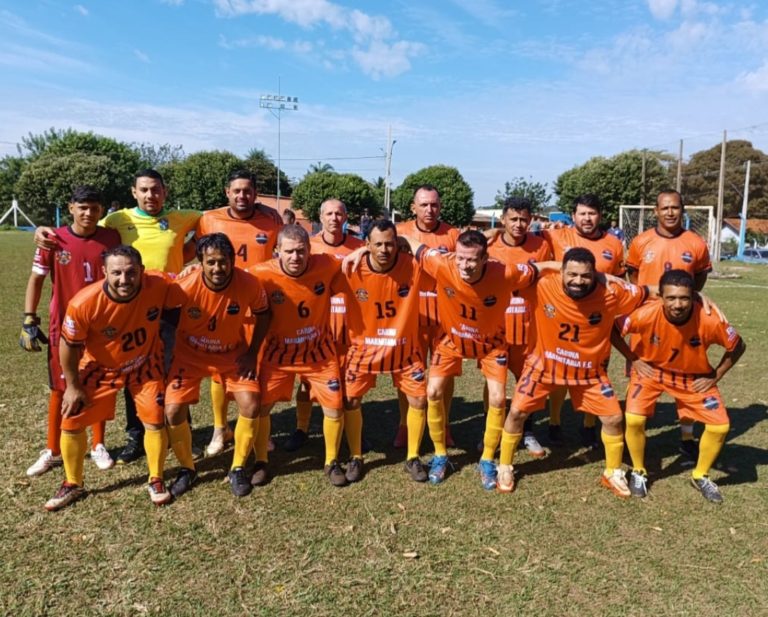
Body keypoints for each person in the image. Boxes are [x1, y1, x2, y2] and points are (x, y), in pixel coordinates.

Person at [34, 169, 201, 465]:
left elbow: (213, 221)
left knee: (170, 371)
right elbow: (80, 227)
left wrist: (189, 257)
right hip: (126, 309)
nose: (151, 195)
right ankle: (136, 436)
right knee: (131, 370)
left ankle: (180, 432)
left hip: (167, 305)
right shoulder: (115, 220)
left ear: (166, 191)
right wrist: (43, 230)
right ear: (133, 192)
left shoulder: (182, 218)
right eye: (144, 190)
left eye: (156, 190)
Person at [497, 248, 649, 497]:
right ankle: (505, 466)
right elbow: (508, 278)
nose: (578, 281)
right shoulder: (543, 285)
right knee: (516, 412)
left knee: (613, 419)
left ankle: (612, 472)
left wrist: (698, 297)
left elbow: (649, 293)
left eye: (586, 276)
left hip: (589, 373)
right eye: (572, 274)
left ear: (595, 275)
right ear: (561, 272)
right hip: (543, 367)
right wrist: (552, 266)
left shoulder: (613, 292)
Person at [399, 230, 546, 486]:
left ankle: (488, 459)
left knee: (499, 398)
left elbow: (541, 268)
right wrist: (363, 249)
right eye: (461, 258)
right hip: (451, 340)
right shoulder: (442, 263)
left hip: (491, 344)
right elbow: (414, 244)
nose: (465, 265)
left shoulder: (506, 273)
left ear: (485, 258)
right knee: (432, 392)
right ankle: (440, 454)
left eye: (472, 260)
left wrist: (589, 273)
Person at [45, 246, 174, 510]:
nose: (124, 279)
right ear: (104, 272)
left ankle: (156, 478)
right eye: (116, 273)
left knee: (154, 419)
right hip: (100, 369)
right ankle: (73, 483)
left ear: (142, 272)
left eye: (131, 272)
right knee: (70, 422)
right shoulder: (84, 303)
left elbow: (188, 278)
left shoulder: (159, 283)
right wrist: (72, 386)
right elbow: (68, 346)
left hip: (144, 364)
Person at [619, 270, 745, 502]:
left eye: (684, 298)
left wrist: (715, 375)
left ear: (693, 296)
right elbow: (614, 329)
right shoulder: (646, 314)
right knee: (634, 419)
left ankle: (700, 475)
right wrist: (634, 358)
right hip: (652, 372)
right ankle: (639, 470)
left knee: (720, 427)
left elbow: (737, 345)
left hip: (693, 377)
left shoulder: (709, 319)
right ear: (661, 297)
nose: (678, 304)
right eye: (671, 298)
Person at [22, 186, 121, 477]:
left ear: (101, 211)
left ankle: (98, 444)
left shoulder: (111, 238)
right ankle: (52, 450)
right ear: (71, 208)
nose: (88, 213)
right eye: (82, 207)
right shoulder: (53, 239)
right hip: (62, 325)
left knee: (99, 383)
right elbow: (36, 280)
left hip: (103, 324)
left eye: (94, 208)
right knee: (60, 387)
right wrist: (29, 318)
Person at [163, 233, 270, 499]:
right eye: (210, 262)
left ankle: (237, 467)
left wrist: (252, 352)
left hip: (232, 355)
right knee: (173, 410)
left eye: (223, 261)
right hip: (189, 356)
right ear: (200, 262)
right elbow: (161, 312)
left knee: (251, 403)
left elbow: (264, 313)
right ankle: (187, 468)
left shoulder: (248, 284)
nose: (217, 268)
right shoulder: (184, 285)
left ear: (233, 260)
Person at [244, 225, 349, 490]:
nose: (295, 257)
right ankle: (261, 461)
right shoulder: (260, 273)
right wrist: (193, 270)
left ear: (310, 250)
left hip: (320, 354)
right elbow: (230, 279)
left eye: (301, 251)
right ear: (277, 251)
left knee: (335, 407)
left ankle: (331, 461)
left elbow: (354, 258)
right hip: (277, 355)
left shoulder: (325, 264)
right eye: (288, 251)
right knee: (262, 408)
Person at [335, 220, 433, 482]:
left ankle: (412, 457)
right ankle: (356, 456)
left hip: (405, 349)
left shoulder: (413, 267)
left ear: (398, 244)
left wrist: (409, 245)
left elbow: (442, 261)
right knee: (351, 400)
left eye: (390, 243)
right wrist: (354, 253)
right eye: (377, 244)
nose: (384, 249)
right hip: (364, 349)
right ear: (366, 245)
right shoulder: (349, 268)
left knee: (419, 400)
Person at [194, 170, 282, 456]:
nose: (242, 196)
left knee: (258, 367)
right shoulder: (209, 219)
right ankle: (220, 428)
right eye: (237, 191)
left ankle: (258, 426)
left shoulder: (272, 220)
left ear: (255, 193)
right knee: (219, 371)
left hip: (259, 306)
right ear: (226, 192)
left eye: (247, 191)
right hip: (221, 307)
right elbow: (195, 253)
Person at [623, 189, 713, 461]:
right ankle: (636, 432)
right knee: (640, 375)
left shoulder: (695, 242)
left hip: (683, 322)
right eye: (665, 208)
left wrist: (685, 302)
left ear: (683, 210)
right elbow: (634, 277)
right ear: (656, 211)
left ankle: (687, 438)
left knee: (685, 377)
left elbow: (698, 279)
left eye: (675, 208)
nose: (670, 212)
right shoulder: (641, 241)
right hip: (647, 321)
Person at [538, 194, 624, 449]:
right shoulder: (555, 236)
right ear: (573, 215)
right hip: (562, 315)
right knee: (558, 369)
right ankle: (554, 422)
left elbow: (619, 280)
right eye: (582, 213)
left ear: (600, 216)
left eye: (592, 213)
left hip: (597, 321)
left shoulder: (614, 244)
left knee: (595, 370)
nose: (587, 218)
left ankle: (589, 425)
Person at [283, 198, 363, 452]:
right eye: (329, 213)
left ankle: (353, 431)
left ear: (346, 216)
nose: (334, 218)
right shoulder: (310, 246)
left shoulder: (358, 246)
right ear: (320, 217)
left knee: (349, 381)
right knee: (307, 382)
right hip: (317, 322)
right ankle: (302, 428)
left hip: (352, 322)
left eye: (339, 213)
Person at [485, 197, 554, 458]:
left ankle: (527, 431)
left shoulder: (541, 246)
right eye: (513, 219)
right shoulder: (490, 246)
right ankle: (491, 431)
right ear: (502, 219)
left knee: (528, 382)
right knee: (495, 385)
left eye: (524, 219)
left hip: (530, 327)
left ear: (531, 220)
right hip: (498, 329)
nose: (519, 224)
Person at [395, 185, 460, 448]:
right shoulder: (399, 233)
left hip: (446, 316)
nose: (429, 209)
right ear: (413, 207)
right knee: (409, 371)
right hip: (410, 314)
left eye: (434, 204)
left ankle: (444, 425)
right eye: (423, 205)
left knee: (445, 375)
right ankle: (404, 424)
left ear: (440, 207)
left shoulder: (453, 234)